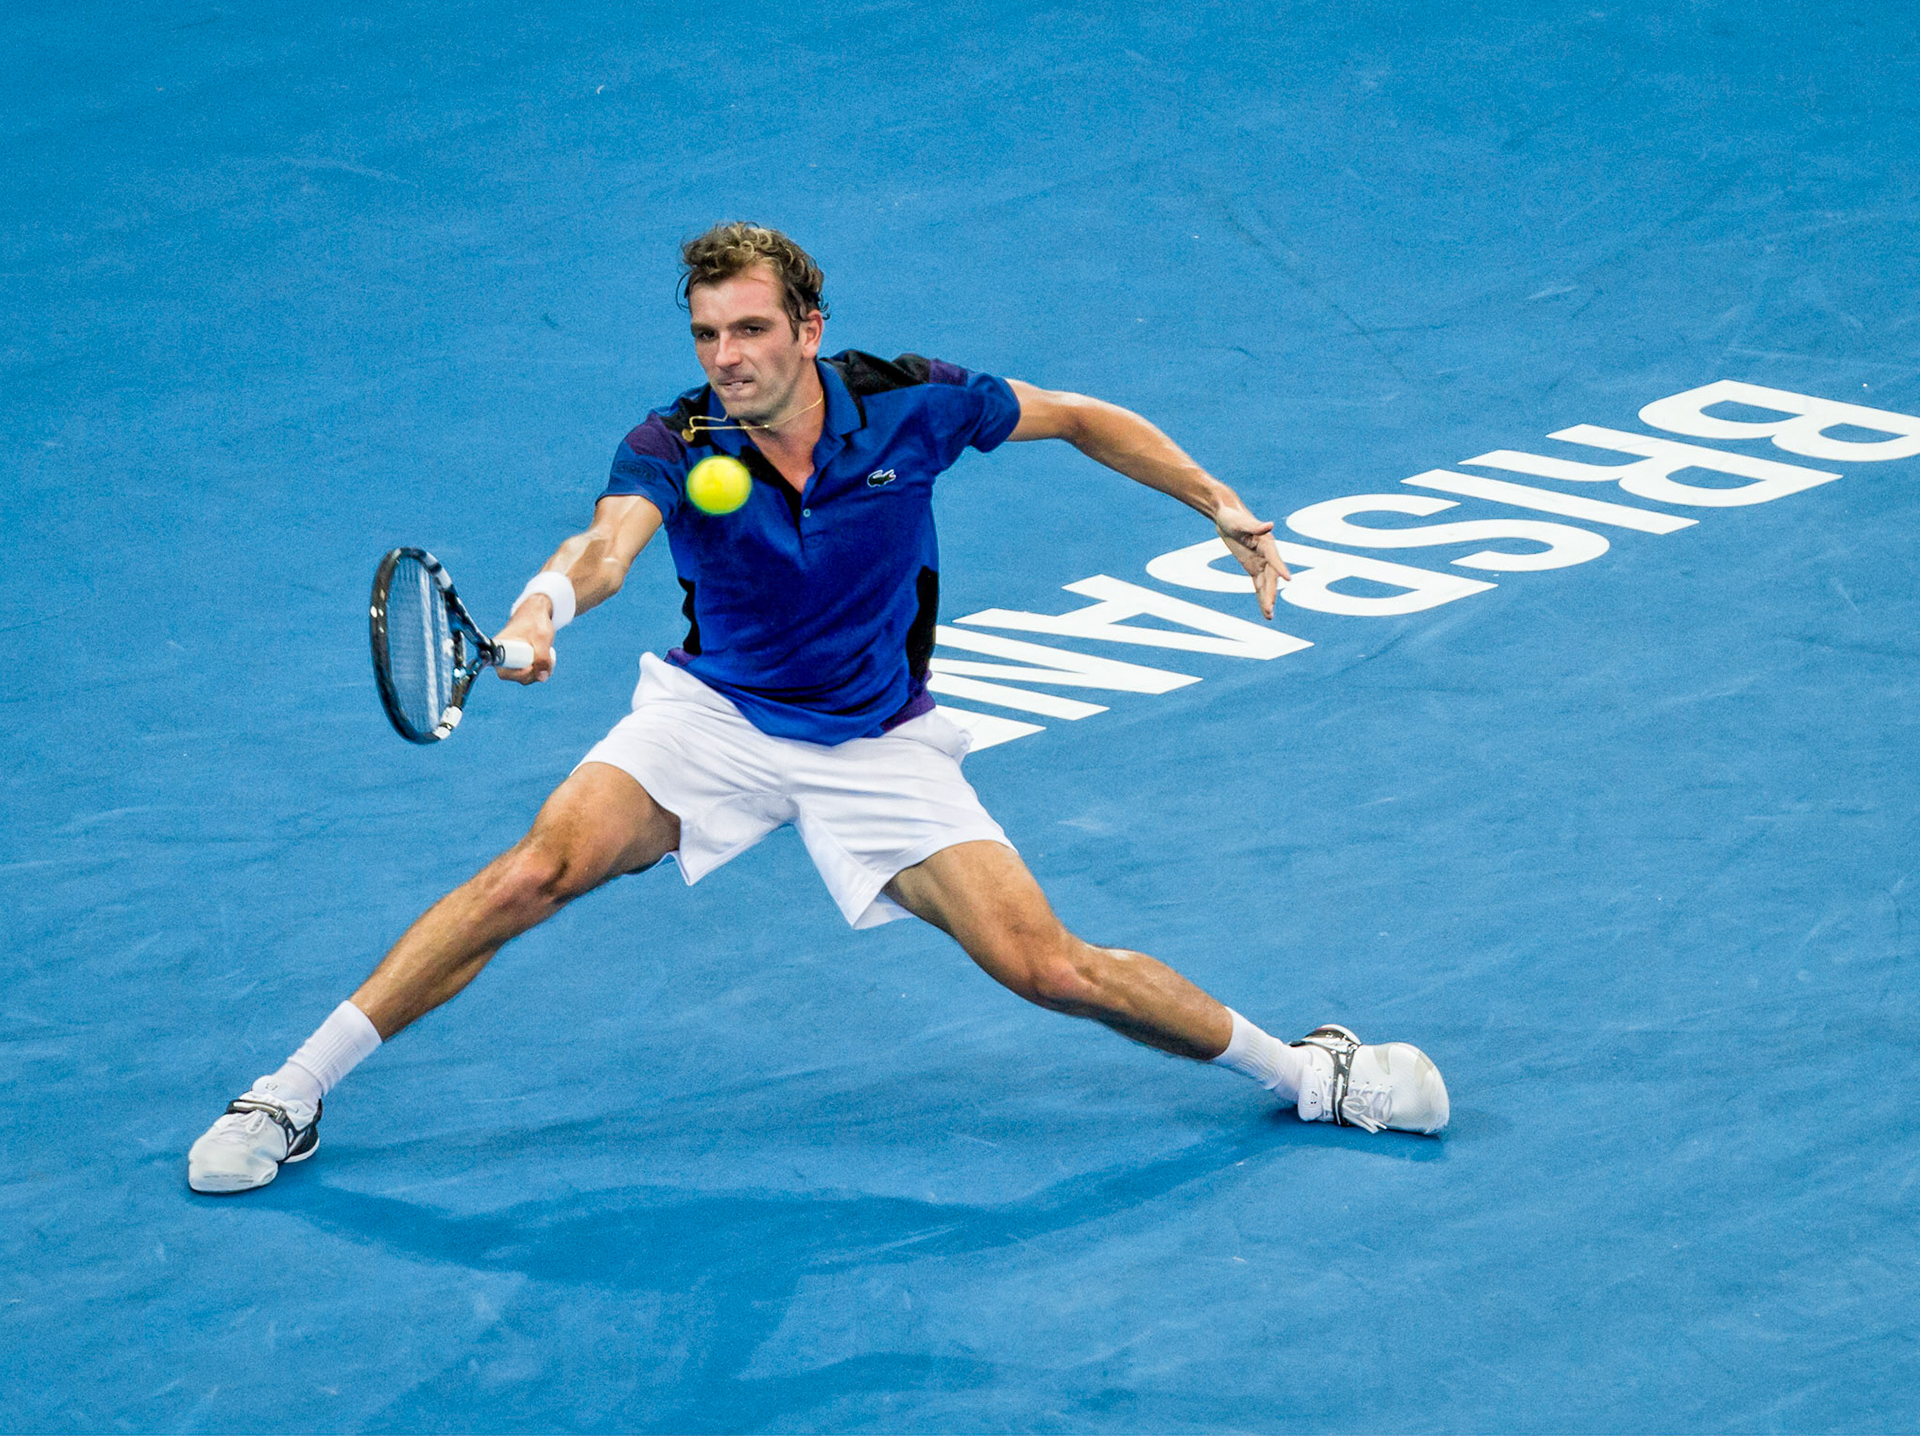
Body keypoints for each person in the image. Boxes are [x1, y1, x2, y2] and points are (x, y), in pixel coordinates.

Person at [188, 222, 1448, 1195]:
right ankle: (286, 1097)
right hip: (717, 718)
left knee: (1046, 965)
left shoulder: (913, 400)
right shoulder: (676, 440)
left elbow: (1080, 419)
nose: (724, 359)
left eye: (746, 331)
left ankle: (1311, 1072)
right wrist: (538, 615)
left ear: (808, 327)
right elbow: (607, 547)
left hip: (873, 742)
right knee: (532, 872)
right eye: (704, 335)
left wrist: (1215, 499)